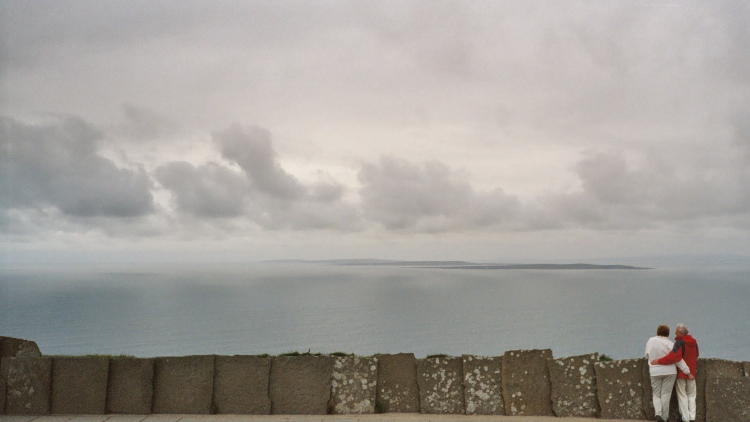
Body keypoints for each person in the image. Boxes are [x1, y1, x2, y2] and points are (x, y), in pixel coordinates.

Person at [650, 323, 699, 422]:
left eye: (676, 332)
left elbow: (674, 357)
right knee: (692, 395)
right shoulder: (694, 342)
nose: (675, 334)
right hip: (692, 373)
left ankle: (686, 418)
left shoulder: (679, 342)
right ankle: (692, 417)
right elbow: (697, 355)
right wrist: (691, 370)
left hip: (682, 373)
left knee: (682, 395)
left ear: (681, 333)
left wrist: (658, 361)